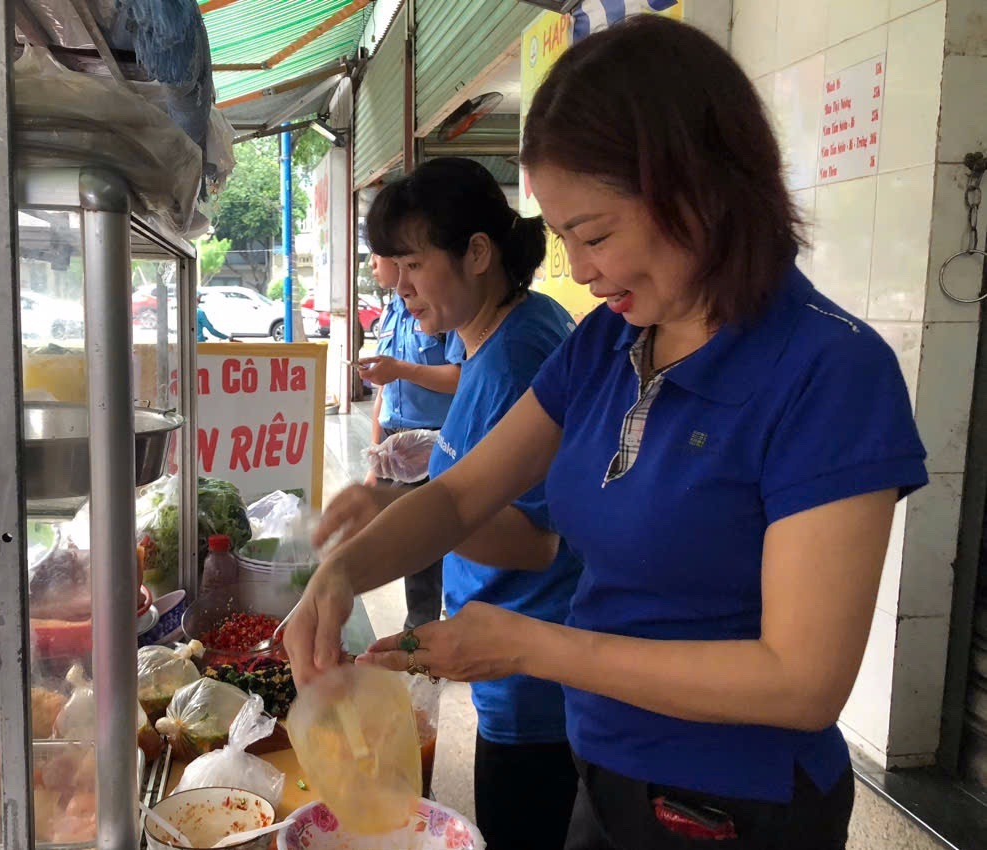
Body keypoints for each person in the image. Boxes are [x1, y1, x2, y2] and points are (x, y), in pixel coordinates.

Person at [286, 16, 928, 850]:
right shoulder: (606, 345)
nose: (582, 270)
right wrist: (339, 573)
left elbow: (800, 682)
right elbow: (457, 495)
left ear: (701, 188)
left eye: (594, 235)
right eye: (563, 240)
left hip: (735, 808)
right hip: (608, 773)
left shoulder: (830, 371)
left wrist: (529, 645)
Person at [314, 156, 583, 850]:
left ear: (478, 254)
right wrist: (427, 464)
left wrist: (404, 503)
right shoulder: (494, 340)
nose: (398, 288)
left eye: (411, 266)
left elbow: (533, 540)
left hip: (533, 674)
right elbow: (475, 476)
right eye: (390, 269)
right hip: (506, 658)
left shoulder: (523, 355)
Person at [360, 251, 463, 631]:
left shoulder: (441, 312)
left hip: (434, 443)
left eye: (379, 256)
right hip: (393, 441)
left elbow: (461, 376)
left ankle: (421, 632)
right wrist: (376, 457)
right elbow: (383, 393)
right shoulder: (389, 312)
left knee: (425, 542)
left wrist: (402, 369)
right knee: (399, 540)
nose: (372, 264)